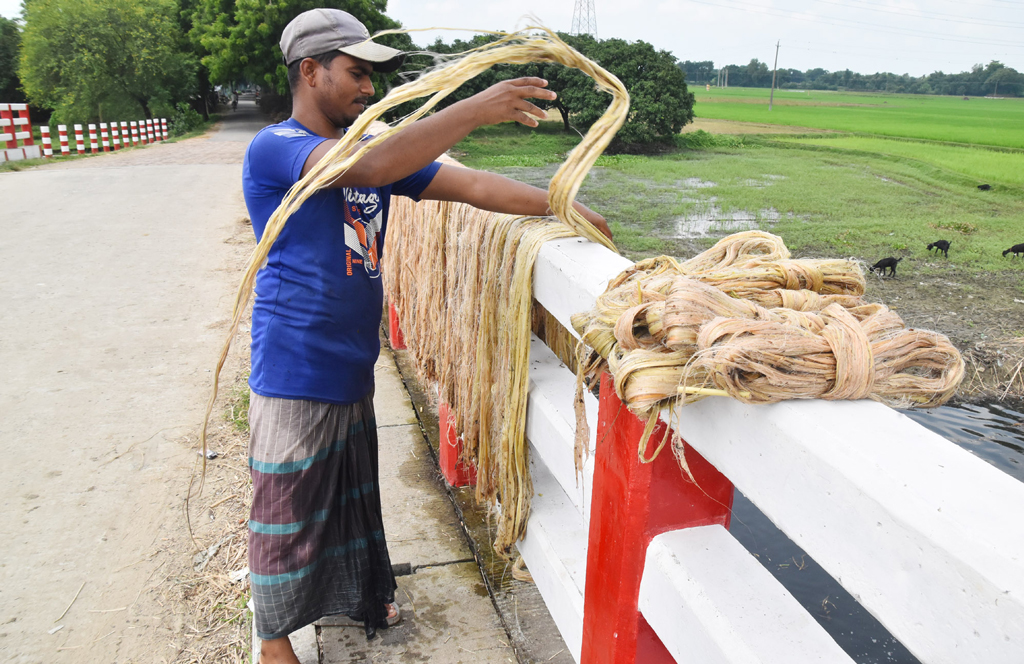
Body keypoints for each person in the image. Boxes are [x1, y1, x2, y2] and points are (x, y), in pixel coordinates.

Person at [241, 8, 611, 664]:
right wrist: (472, 108)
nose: (368, 89)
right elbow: (372, 167)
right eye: (356, 73)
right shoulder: (281, 147)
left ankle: (359, 596)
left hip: (350, 362)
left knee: (349, 499)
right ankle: (271, 643)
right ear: (310, 71)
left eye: (372, 76)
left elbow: (469, 184)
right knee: (287, 507)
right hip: (295, 366)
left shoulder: (368, 156)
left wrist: (560, 204)